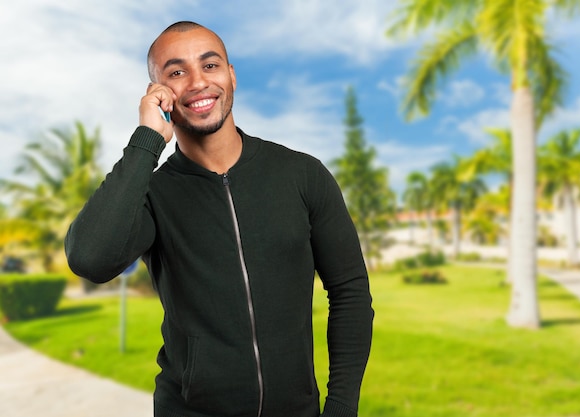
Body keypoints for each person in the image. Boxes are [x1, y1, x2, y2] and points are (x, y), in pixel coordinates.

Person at [65, 21, 374, 417]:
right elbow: (89, 258)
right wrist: (147, 140)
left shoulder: (302, 175)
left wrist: (342, 406)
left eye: (209, 65)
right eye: (176, 73)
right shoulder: (152, 195)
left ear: (231, 76)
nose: (197, 82)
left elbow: (349, 291)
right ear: (158, 93)